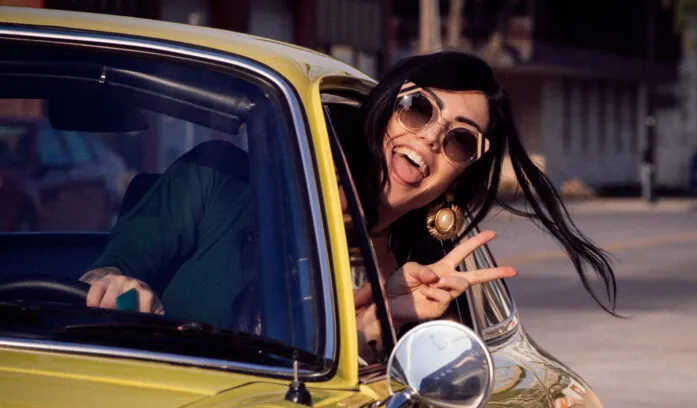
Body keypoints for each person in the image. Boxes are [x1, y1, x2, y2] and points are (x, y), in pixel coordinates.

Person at [82, 51, 616, 343]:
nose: (430, 137)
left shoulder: (425, 274)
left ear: (459, 176)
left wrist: (385, 324)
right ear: (386, 107)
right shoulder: (215, 181)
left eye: (458, 139)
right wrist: (122, 289)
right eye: (419, 108)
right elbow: (100, 276)